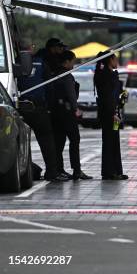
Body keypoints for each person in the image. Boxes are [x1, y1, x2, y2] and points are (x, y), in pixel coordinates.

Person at [17, 39, 69, 182]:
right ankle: (51, 172)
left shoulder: (14, 62)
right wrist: (49, 107)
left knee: (17, 141)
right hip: (38, 108)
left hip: (19, 107)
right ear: (30, 48)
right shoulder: (40, 63)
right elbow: (49, 85)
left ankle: (20, 170)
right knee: (47, 141)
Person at [50, 50, 92, 180]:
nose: (74, 65)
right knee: (74, 140)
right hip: (67, 113)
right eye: (73, 62)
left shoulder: (54, 73)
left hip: (56, 113)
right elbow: (71, 94)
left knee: (59, 142)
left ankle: (59, 169)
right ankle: (77, 170)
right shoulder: (67, 76)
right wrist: (75, 108)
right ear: (67, 62)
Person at [93, 51, 128, 180]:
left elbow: (114, 95)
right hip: (110, 115)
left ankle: (116, 170)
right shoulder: (107, 76)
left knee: (113, 140)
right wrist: (114, 113)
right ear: (110, 60)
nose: (117, 62)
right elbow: (108, 97)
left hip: (111, 113)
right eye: (115, 59)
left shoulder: (108, 75)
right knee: (110, 141)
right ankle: (110, 171)